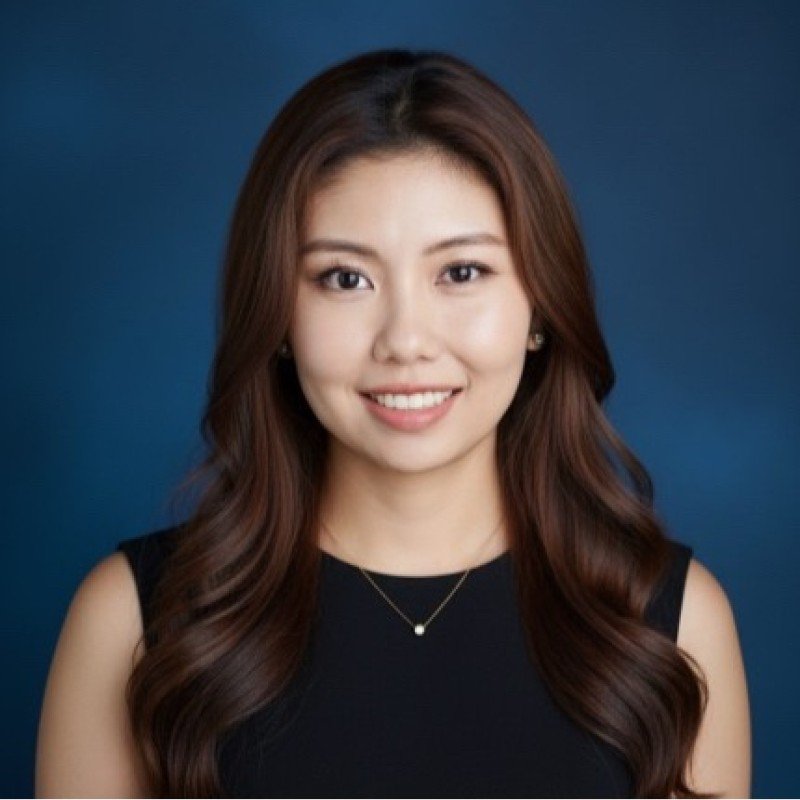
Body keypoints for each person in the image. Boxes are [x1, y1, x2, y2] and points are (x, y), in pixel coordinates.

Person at [35, 48, 751, 798]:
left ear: (540, 307)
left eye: (461, 273)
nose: (405, 340)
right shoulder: (132, 622)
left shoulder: (668, 626)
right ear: (278, 315)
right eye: (346, 279)